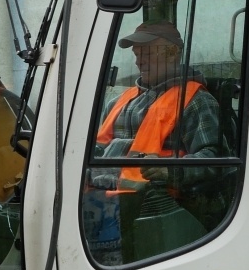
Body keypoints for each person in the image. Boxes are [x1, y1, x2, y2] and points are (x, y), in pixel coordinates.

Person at [95, 20, 223, 172]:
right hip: (100, 191)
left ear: (172, 53)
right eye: (136, 54)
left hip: (158, 193)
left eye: (147, 54)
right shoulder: (117, 103)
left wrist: (170, 171)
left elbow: (213, 159)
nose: (138, 62)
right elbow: (96, 151)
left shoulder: (196, 101)